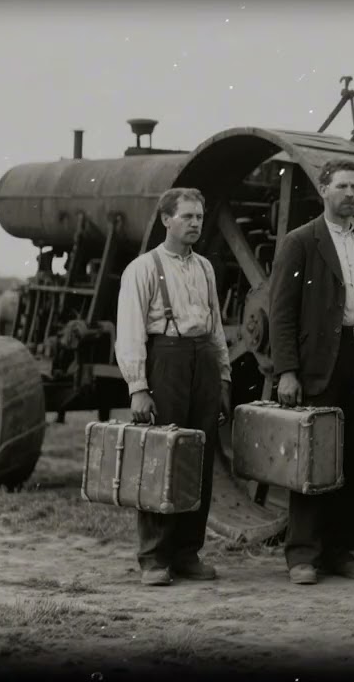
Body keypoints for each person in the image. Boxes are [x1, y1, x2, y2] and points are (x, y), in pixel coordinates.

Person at [270, 157, 354, 585]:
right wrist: (287, 370)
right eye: (342, 186)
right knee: (313, 459)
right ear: (323, 190)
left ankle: (340, 551)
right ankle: (302, 554)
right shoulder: (301, 242)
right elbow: (281, 313)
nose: (350, 194)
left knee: (350, 460)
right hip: (320, 366)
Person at [116, 187, 231, 587]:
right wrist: (138, 387)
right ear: (166, 220)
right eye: (187, 216)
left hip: (203, 362)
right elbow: (130, 332)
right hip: (164, 360)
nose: (195, 223)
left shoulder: (204, 268)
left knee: (197, 459)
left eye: (199, 216)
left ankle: (187, 553)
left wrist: (224, 375)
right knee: (161, 459)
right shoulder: (143, 269)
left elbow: (215, 325)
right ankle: (154, 558)